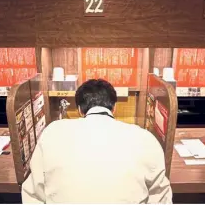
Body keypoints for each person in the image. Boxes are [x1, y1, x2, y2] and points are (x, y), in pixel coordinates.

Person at [21, 79, 172, 203]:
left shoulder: (53, 132)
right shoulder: (144, 138)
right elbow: (161, 197)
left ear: (80, 109)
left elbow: (33, 193)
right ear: (114, 108)